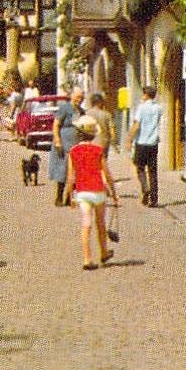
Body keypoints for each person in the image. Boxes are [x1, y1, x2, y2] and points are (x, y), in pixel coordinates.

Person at [66, 115, 118, 270]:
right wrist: (114, 193)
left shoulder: (73, 151)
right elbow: (107, 174)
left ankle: (87, 259)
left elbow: (70, 176)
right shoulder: (98, 150)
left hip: (82, 192)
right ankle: (103, 252)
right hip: (98, 190)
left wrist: (70, 196)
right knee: (100, 223)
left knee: (86, 224)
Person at [127, 83, 164, 206]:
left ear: (146, 95)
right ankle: (154, 199)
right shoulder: (158, 108)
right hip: (153, 143)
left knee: (140, 168)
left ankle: (145, 188)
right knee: (153, 171)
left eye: (143, 94)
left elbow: (137, 125)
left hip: (141, 142)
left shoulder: (141, 108)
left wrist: (129, 139)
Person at [49, 84, 85, 207]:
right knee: (62, 170)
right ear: (72, 96)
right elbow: (56, 125)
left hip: (75, 144)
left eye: (82, 97)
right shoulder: (64, 108)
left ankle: (69, 198)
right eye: (78, 96)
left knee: (75, 172)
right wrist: (58, 141)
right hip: (63, 143)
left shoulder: (81, 111)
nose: (80, 99)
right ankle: (59, 197)